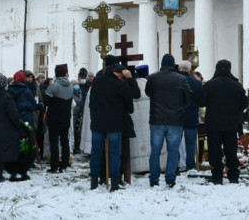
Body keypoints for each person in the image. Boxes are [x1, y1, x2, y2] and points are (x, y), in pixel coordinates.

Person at [88, 55, 137, 192]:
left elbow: (91, 103)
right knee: (115, 153)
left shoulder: (97, 81)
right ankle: (114, 183)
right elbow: (134, 97)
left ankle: (94, 182)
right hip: (114, 124)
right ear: (119, 73)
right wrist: (130, 78)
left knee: (96, 153)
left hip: (97, 123)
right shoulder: (118, 84)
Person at [145, 54, 191, 188]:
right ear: (173, 64)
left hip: (157, 119)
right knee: (173, 150)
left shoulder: (153, 78)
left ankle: (154, 178)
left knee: (155, 150)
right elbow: (188, 98)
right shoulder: (181, 78)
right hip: (175, 120)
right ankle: (170, 178)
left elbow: (148, 93)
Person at [197, 59, 247, 185]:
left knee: (215, 151)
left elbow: (201, 102)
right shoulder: (236, 85)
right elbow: (243, 104)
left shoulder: (210, 84)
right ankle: (233, 176)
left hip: (213, 124)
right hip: (231, 123)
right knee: (231, 150)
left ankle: (217, 176)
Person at [0, 72, 28, 182]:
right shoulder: (7, 98)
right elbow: (13, 115)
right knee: (1, 151)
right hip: (4, 128)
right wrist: (18, 124)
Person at [43, 64, 73, 173]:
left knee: (54, 142)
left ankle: (54, 165)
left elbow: (47, 101)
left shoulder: (54, 86)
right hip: (66, 117)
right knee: (65, 141)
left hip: (54, 118)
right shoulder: (70, 86)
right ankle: (64, 164)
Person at [178, 60, 202, 171]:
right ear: (190, 70)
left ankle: (176, 165)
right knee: (191, 144)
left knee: (175, 144)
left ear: (179, 68)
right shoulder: (196, 83)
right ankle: (190, 166)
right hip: (191, 116)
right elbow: (200, 101)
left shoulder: (174, 81)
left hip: (176, 117)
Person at [72, 68, 92, 154]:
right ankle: (76, 147)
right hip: (76, 112)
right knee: (76, 129)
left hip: (82, 110)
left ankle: (78, 146)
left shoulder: (87, 86)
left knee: (80, 130)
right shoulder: (76, 88)